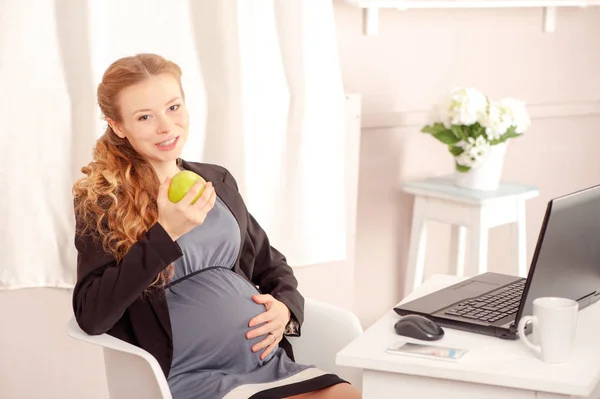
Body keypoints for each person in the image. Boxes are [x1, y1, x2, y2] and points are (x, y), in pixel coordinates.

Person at [71, 53, 361, 399]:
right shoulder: (105, 201)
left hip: (263, 364)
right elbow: (91, 314)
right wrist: (166, 233)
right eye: (145, 116)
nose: (166, 126)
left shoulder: (215, 180)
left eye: (174, 107)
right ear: (118, 126)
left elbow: (272, 265)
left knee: (348, 395)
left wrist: (285, 308)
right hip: (188, 377)